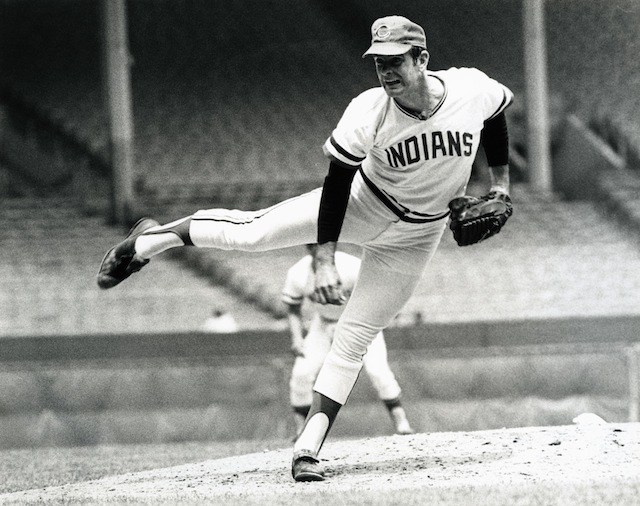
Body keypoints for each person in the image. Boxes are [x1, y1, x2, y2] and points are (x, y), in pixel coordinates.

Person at [97, 15, 513, 482]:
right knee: (254, 233)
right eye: (379, 63)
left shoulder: (469, 89)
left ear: (423, 58)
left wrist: (500, 187)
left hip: (418, 237)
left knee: (355, 338)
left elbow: (496, 114)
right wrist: (324, 258)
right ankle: (150, 239)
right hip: (364, 204)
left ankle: (307, 448)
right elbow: (336, 186)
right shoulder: (369, 109)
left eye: (396, 61)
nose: (387, 73)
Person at [283, 244, 413, 439]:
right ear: (306, 247)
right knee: (302, 373)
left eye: (320, 243)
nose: (316, 248)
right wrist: (297, 338)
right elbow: (293, 308)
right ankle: (301, 430)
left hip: (359, 321)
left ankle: (402, 422)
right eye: (311, 244)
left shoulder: (351, 266)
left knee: (378, 370)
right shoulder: (298, 273)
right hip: (323, 324)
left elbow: (376, 294)